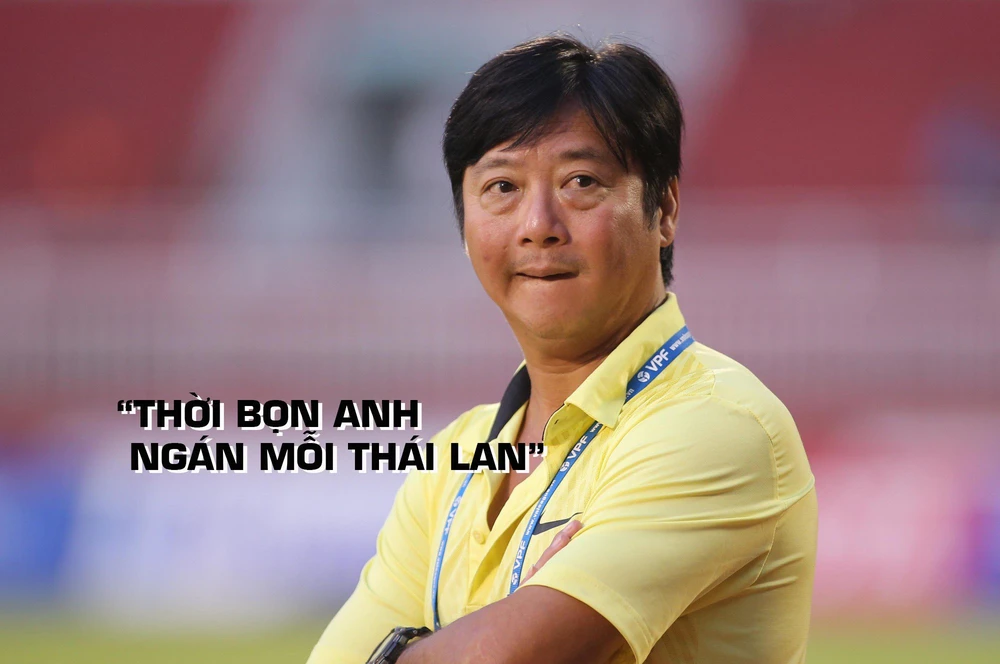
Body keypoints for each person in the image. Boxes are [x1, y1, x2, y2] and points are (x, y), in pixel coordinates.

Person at [308, 34, 817, 664]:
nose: (538, 226)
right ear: (463, 224)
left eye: (580, 182)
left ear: (663, 208)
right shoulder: (452, 462)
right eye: (502, 187)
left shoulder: (717, 426)